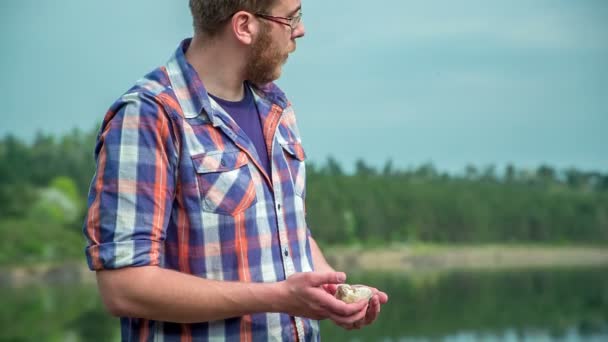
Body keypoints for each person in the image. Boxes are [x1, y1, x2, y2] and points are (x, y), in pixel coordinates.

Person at [82, 0, 388, 340]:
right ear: (244, 26)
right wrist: (279, 297)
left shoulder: (277, 106)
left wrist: (331, 292)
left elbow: (287, 232)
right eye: (290, 18)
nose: (300, 30)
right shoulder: (148, 116)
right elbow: (124, 287)